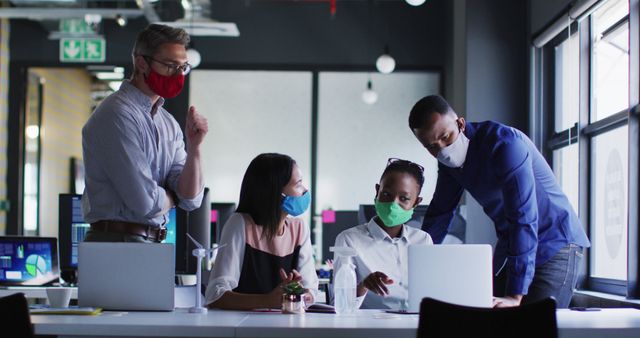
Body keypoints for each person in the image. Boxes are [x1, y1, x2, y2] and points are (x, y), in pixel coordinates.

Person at [408, 95, 590, 308]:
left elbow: (523, 217)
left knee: (536, 323)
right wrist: (416, 264)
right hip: (512, 244)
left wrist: (515, 295)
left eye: (446, 137)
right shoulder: (448, 164)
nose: (442, 149)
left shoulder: (506, 145)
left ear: (460, 124)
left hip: (555, 242)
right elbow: (440, 214)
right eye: (432, 146)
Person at [82, 24, 208, 243]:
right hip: (115, 241)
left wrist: (194, 147)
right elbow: (144, 202)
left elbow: (191, 198)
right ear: (141, 63)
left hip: (152, 242)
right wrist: (172, 195)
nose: (178, 75)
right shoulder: (116, 114)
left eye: (183, 67)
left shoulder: (167, 123)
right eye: (170, 66)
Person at [205, 153, 318, 310]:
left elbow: (310, 289)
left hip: (286, 326)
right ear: (276, 193)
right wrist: (268, 300)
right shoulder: (240, 224)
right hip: (243, 327)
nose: (305, 190)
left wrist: (299, 293)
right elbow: (215, 295)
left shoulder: (299, 228)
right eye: (298, 184)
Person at [334, 158, 433, 310]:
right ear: (377, 191)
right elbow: (339, 305)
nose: (393, 204)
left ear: (416, 202)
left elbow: (431, 291)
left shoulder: (422, 240)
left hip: (417, 324)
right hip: (372, 327)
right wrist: (363, 286)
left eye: (404, 198)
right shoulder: (349, 239)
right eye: (386, 194)